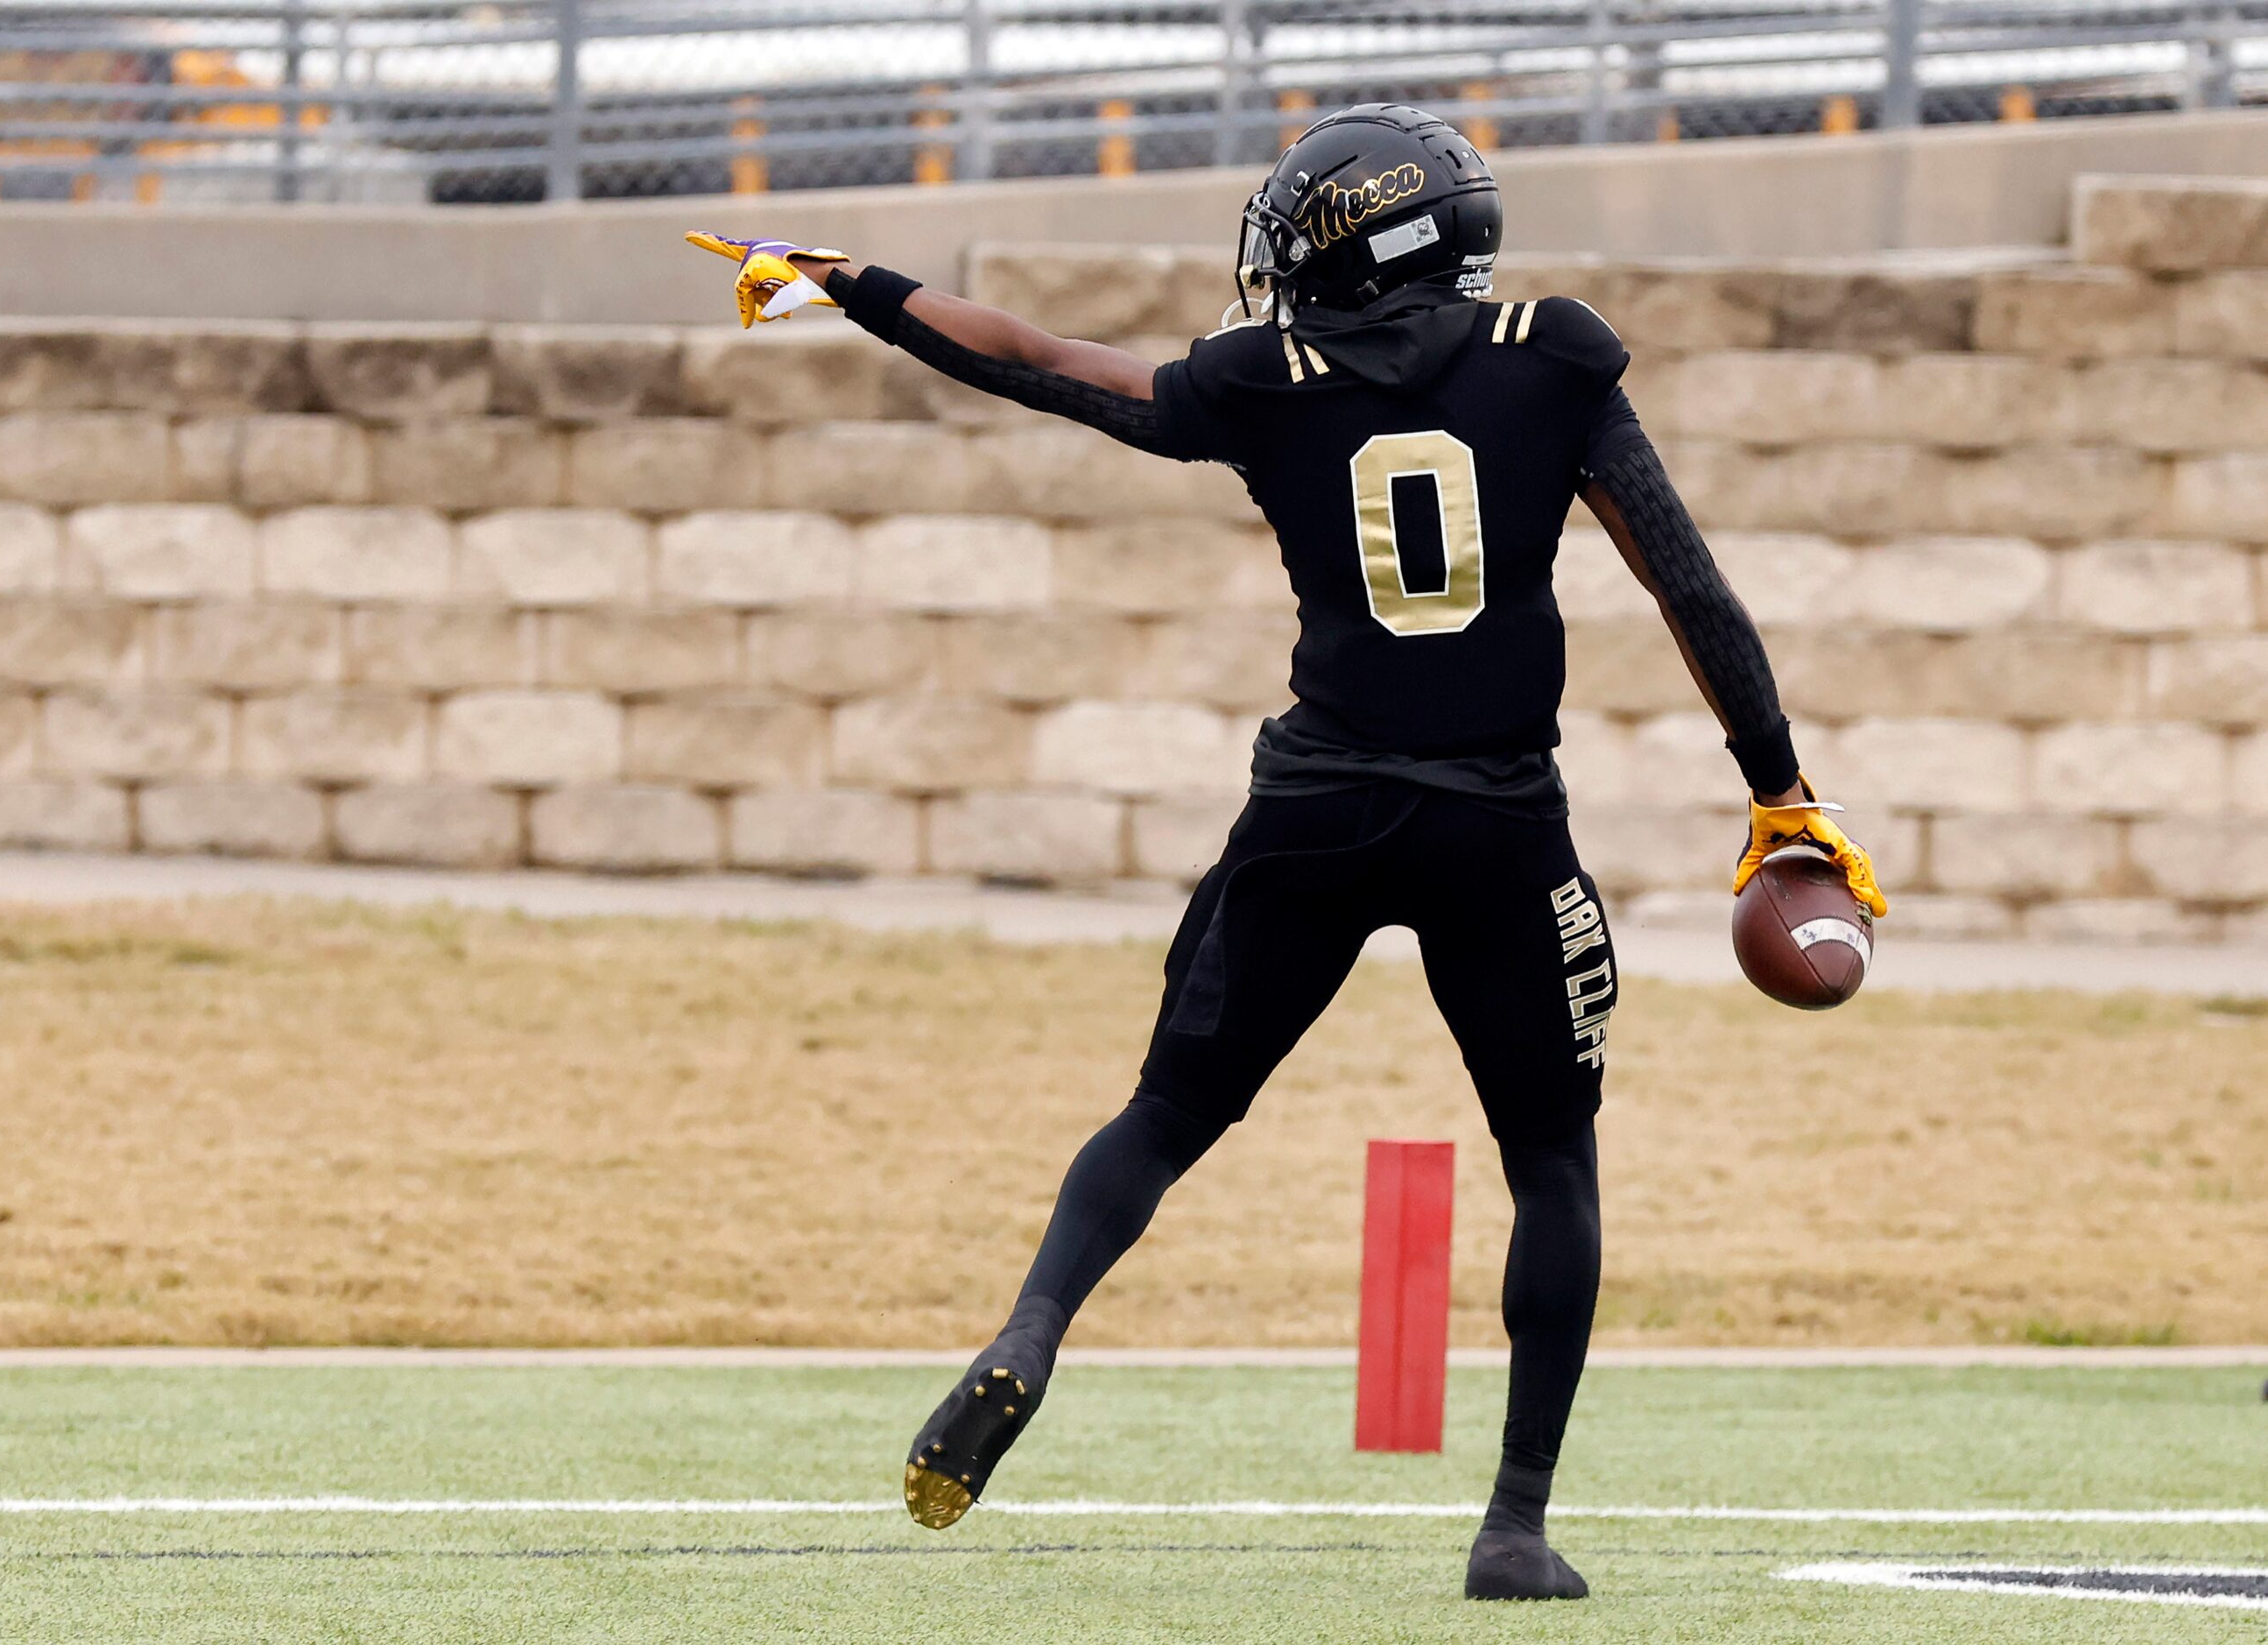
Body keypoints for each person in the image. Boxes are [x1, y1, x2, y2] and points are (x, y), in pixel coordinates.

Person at [687, 102, 1885, 1602]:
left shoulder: (1265, 382)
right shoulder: (1559, 353)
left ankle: (1034, 1328)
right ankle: (1513, 1523)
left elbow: (1047, 366)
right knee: (1553, 1162)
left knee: (1169, 1111)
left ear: (1351, 248)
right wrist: (1781, 792)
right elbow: (1687, 585)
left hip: (1316, 805)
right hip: (1497, 819)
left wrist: (852, 285)